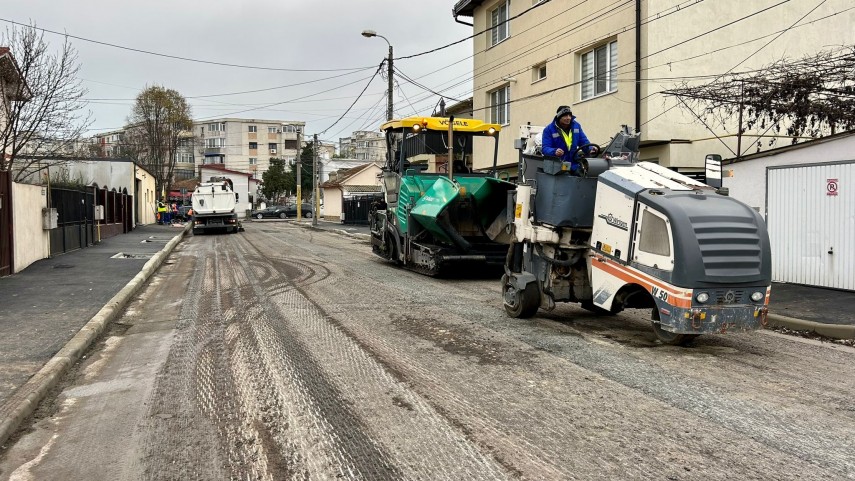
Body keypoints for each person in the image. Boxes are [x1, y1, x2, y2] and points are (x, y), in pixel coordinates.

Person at [541, 105, 598, 175]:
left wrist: (590, 149)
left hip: (574, 163)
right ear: (559, 117)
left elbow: (583, 141)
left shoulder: (576, 126)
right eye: (565, 116)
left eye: (569, 115)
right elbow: (545, 148)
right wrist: (554, 151)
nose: (568, 118)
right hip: (559, 164)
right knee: (566, 178)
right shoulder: (549, 129)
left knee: (583, 176)